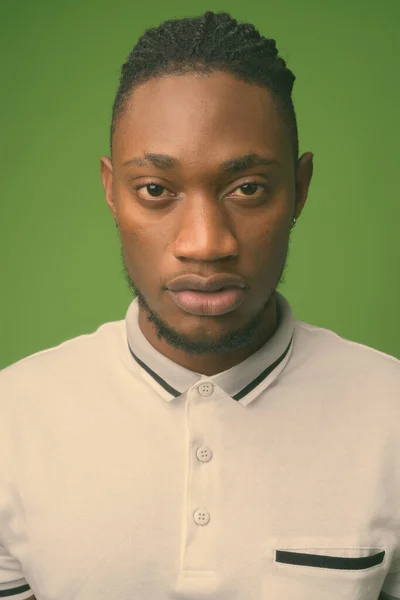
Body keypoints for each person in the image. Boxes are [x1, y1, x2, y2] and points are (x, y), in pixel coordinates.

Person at [0, 9, 399, 600]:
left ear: (301, 188)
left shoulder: (391, 415)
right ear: (112, 190)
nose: (206, 243)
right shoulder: (13, 421)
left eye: (248, 189)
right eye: (156, 190)